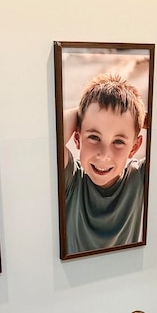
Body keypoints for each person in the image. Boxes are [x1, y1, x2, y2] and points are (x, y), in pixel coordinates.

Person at [63, 72, 147, 255]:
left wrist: (140, 118)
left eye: (118, 142)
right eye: (94, 137)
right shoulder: (71, 179)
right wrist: (82, 112)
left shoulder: (140, 178)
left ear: (134, 148)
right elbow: (49, 137)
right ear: (77, 139)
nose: (104, 155)